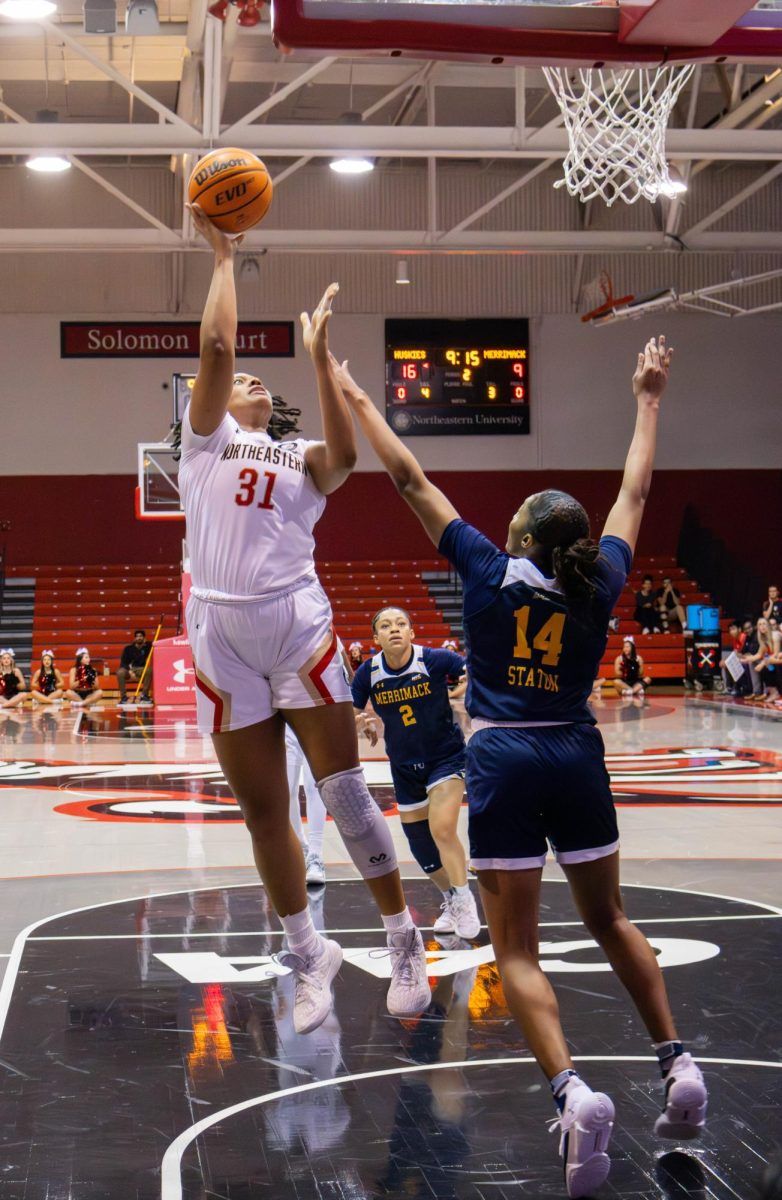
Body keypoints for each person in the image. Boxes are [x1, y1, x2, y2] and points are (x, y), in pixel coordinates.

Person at [334, 336, 707, 1199]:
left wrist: (356, 395)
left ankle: (574, 1095)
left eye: (512, 526)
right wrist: (648, 399)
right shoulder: (600, 580)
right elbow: (636, 491)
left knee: (520, 950)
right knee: (611, 917)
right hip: (577, 753)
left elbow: (409, 479)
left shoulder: (489, 573)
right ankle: (677, 1062)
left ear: (526, 538)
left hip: (503, 758)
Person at [176, 203, 430, 1037]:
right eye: (236, 380)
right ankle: (308, 950)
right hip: (218, 630)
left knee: (344, 787)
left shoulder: (298, 458)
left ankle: (401, 935)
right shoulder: (203, 444)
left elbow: (350, 457)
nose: (243, 379)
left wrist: (321, 360)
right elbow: (216, 349)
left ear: (275, 406)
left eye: (258, 381)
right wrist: (223, 257)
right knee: (261, 812)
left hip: (293, 622)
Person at [352, 606, 481, 939]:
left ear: (411, 632)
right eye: (385, 625)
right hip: (404, 766)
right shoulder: (368, 673)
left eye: (401, 624)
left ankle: (466, 901)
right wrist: (360, 720)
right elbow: (349, 713)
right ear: (376, 637)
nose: (394, 629)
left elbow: (474, 669)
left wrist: (473, 692)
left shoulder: (433, 660)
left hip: (446, 757)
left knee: (441, 828)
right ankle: (450, 898)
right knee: (421, 847)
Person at [285, 724, 329, 886]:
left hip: (315, 717)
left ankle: (316, 855)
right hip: (284, 721)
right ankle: (301, 847)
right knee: (286, 789)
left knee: (315, 785)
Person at [117, 629, 153, 706]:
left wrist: (146, 643)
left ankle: (144, 695)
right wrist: (129, 670)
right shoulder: (128, 648)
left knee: (149, 670)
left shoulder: (146, 647)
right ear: (134, 638)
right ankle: (123, 698)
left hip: (141, 669)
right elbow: (123, 662)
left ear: (144, 638)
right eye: (137, 636)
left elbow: (152, 643)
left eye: (140, 636)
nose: (139, 638)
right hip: (129, 669)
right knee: (120, 672)